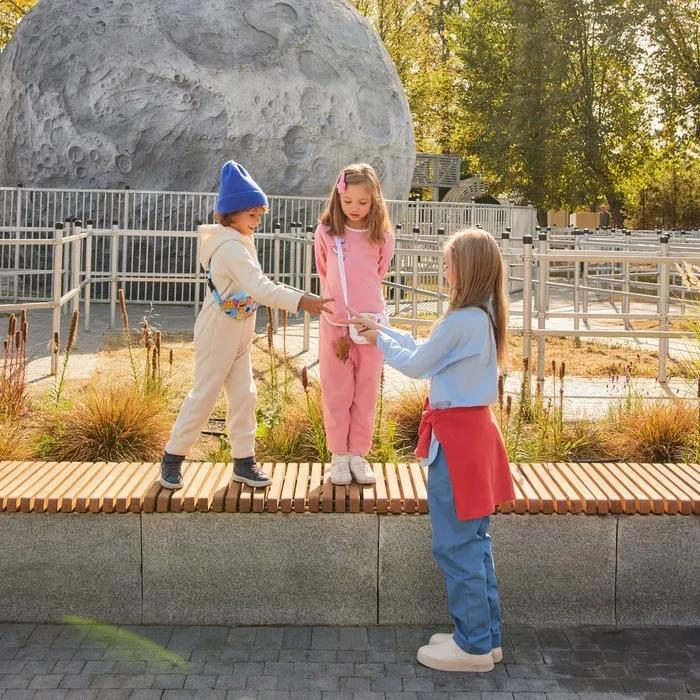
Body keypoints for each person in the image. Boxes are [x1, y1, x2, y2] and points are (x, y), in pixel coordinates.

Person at [348, 229, 515, 673]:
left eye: (448, 265)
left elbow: (418, 363)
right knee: (474, 544)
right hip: (473, 438)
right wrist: (382, 332)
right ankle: (484, 638)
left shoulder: (463, 321)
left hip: (457, 445)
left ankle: (472, 647)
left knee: (455, 546)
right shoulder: (483, 314)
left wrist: (378, 339)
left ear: (466, 270)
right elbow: (427, 352)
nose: (444, 273)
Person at [160, 160, 333, 490]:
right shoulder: (230, 248)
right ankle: (172, 457)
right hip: (218, 332)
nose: (257, 220)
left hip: (237, 330)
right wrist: (302, 301)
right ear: (231, 215)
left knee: (244, 396)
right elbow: (260, 287)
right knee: (205, 394)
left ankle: (243, 461)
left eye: (259, 214)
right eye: (252, 214)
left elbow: (255, 287)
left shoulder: (237, 242)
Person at [314, 163, 395, 485]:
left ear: (375, 200)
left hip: (370, 326)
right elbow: (324, 271)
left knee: (366, 391)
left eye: (363, 202)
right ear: (338, 198)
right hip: (335, 323)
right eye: (348, 201)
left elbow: (378, 275)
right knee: (337, 391)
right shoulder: (326, 233)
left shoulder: (383, 237)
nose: (355, 208)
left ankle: (359, 455)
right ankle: (338, 456)